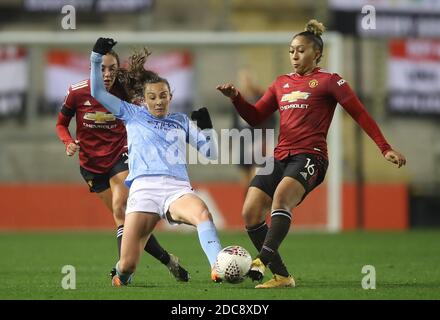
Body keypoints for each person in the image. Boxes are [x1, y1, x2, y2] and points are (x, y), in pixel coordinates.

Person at [217, 19, 407, 289]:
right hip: (281, 156)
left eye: (301, 50)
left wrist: (384, 147)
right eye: (292, 50)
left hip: (311, 156)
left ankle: (261, 261)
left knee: (281, 198)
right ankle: (282, 276)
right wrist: (236, 98)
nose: (295, 55)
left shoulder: (330, 81)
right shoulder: (281, 83)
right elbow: (256, 116)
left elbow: (360, 113)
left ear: (316, 53)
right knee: (250, 211)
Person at [89, 38, 223, 286]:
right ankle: (122, 274)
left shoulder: (181, 121)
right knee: (127, 264)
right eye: (153, 97)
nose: (159, 101)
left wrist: (206, 128)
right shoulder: (131, 113)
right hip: (143, 191)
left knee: (203, 213)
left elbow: (211, 152)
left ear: (170, 96)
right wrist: (96, 56)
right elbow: (97, 92)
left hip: (177, 189)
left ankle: (218, 266)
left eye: (163, 96)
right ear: (144, 98)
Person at [55, 48, 190, 283]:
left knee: (121, 206)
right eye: (101, 68)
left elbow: (144, 109)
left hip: (121, 155)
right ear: (92, 69)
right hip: (91, 165)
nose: (107, 74)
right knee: (126, 221)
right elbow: (61, 124)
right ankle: (168, 260)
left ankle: (122, 272)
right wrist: (68, 142)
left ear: (118, 71)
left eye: (112, 69)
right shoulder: (76, 93)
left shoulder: (124, 91)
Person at [232, 67, 276, 197]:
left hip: (258, 140)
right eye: (244, 79)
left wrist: (266, 138)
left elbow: (272, 119)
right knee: (246, 179)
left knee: (256, 178)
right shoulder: (237, 98)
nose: (246, 82)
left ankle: (257, 206)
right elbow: (234, 122)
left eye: (248, 79)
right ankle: (248, 206)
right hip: (243, 141)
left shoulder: (262, 96)